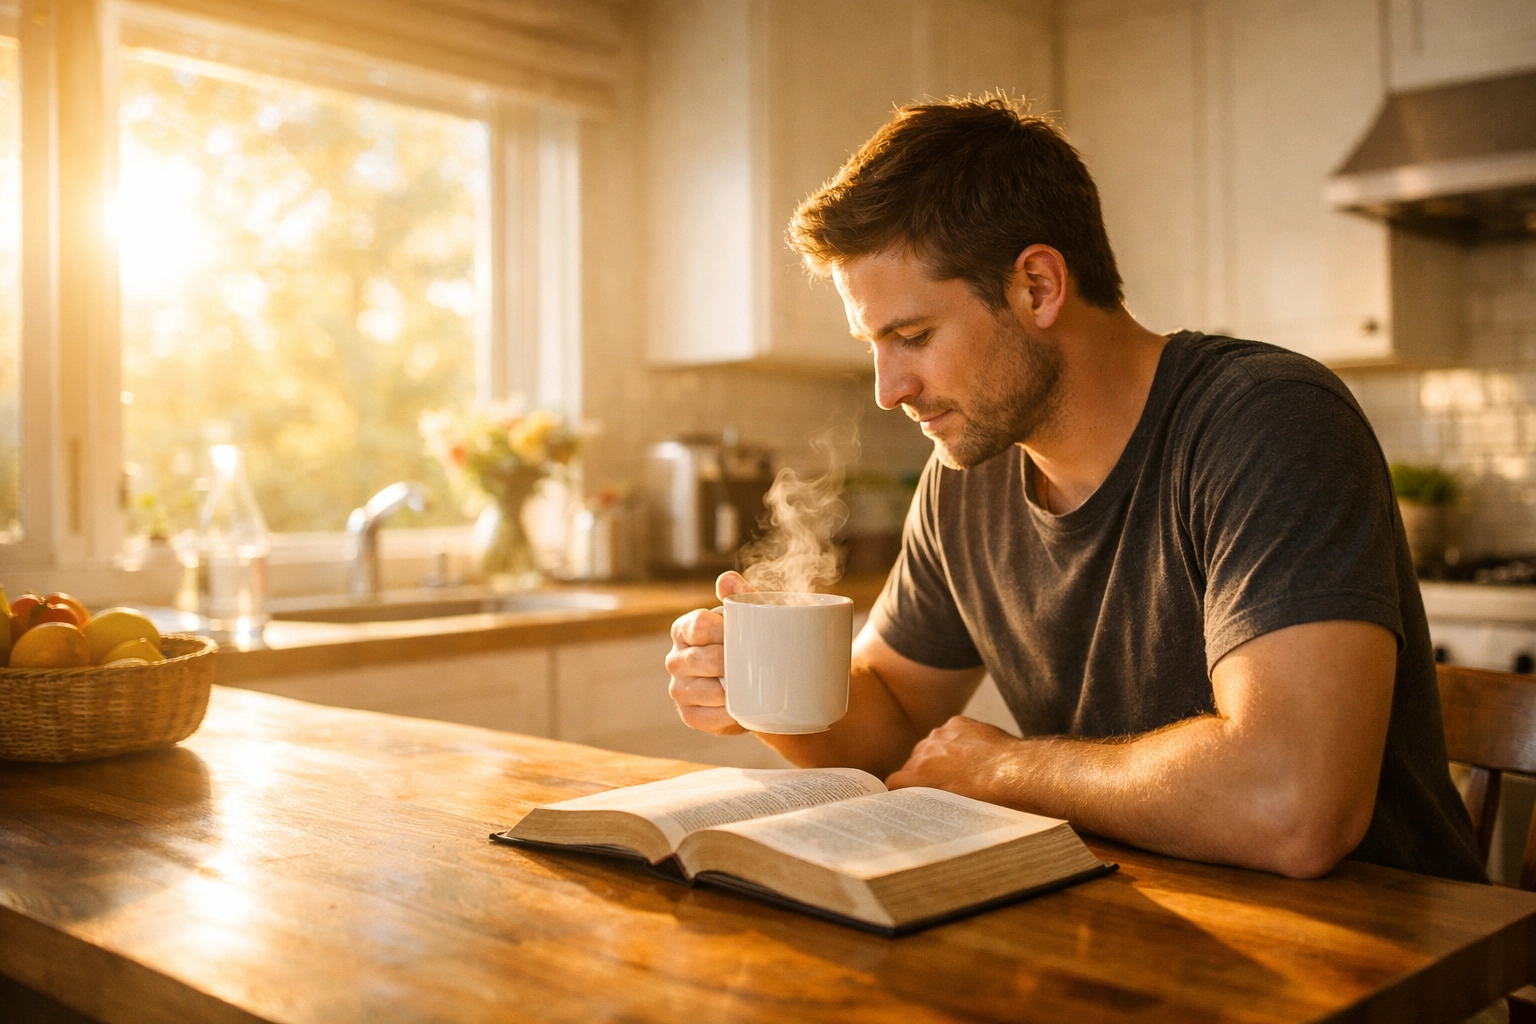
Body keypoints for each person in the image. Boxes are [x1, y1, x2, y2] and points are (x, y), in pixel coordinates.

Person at [664, 97, 1484, 883]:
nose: (887, 389)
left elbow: (1292, 805)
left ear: (1038, 287)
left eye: (911, 336)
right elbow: (894, 724)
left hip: (1395, 967)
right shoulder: (964, 481)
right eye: (874, 345)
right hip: (1139, 931)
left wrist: (1006, 766)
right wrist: (763, 690)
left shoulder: (1266, 423)